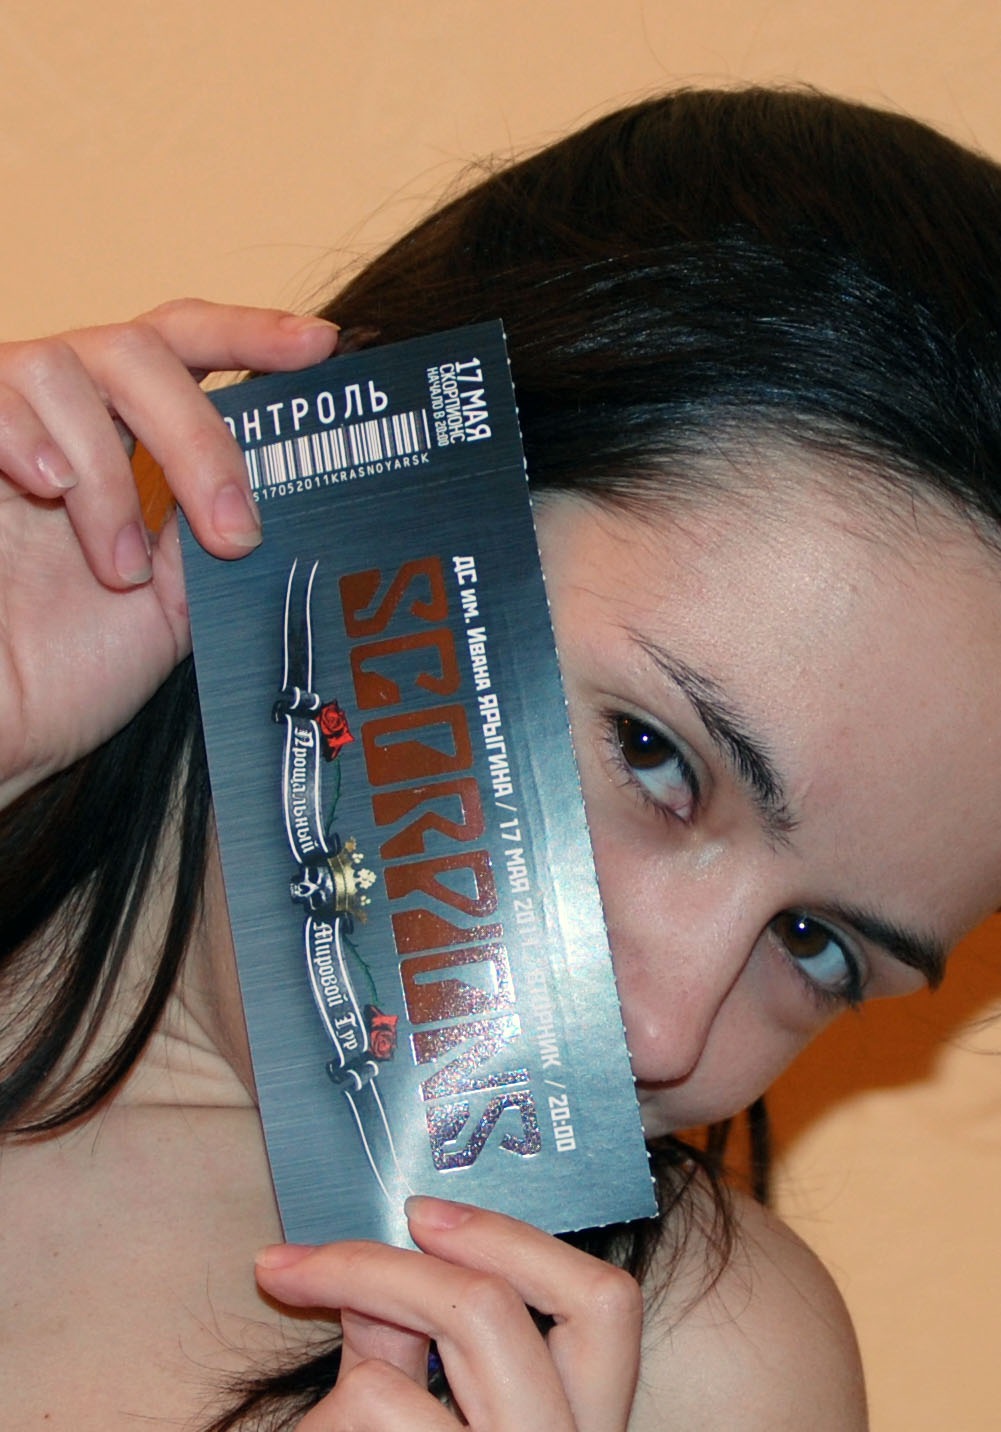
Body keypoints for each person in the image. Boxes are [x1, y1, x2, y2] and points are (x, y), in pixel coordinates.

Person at [3, 84, 1001, 1428]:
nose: (663, 1031)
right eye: (653, 754)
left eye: (817, 946)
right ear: (365, 486)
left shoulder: (692, 1377)